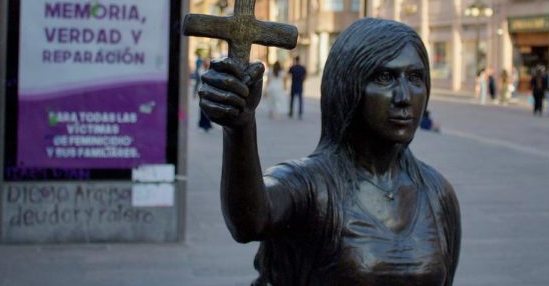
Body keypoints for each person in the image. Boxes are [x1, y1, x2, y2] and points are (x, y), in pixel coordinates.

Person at [198, 18, 461, 284]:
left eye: (415, 77)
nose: (404, 96)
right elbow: (249, 221)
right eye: (384, 77)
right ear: (348, 86)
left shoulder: (437, 193)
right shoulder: (310, 185)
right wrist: (240, 128)